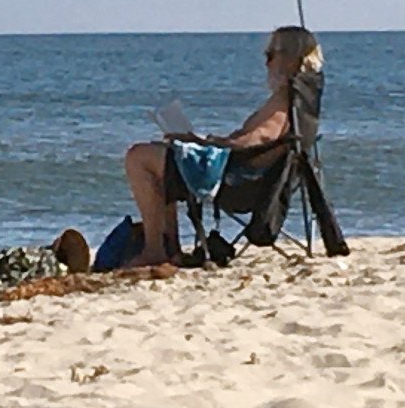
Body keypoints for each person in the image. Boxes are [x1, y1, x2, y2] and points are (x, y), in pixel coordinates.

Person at [123, 26, 324, 268]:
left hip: (239, 182)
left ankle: (155, 250)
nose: (266, 62)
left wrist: (207, 143)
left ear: (293, 59)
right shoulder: (296, 100)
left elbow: (259, 140)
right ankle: (170, 249)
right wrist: (201, 141)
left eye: (271, 54)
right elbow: (254, 140)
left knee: (139, 157)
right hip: (242, 174)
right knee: (159, 157)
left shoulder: (286, 103)